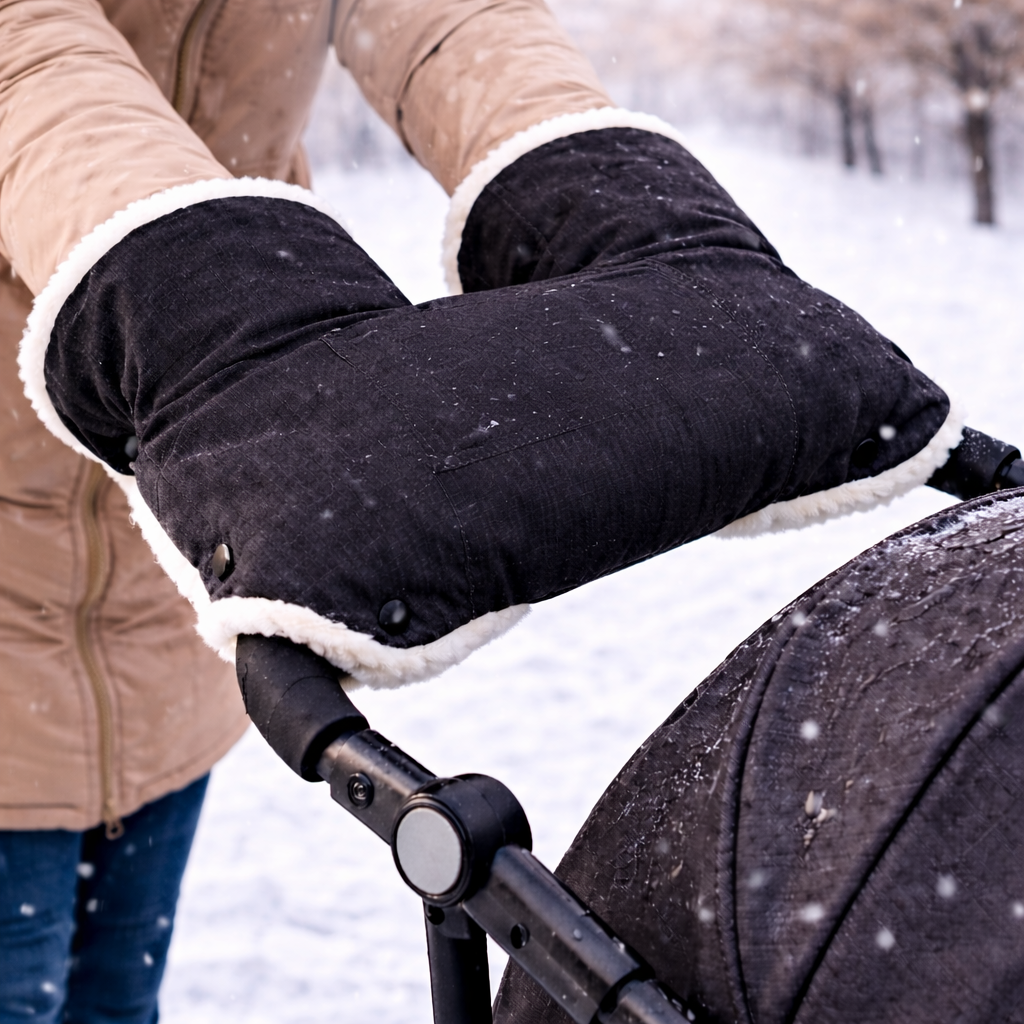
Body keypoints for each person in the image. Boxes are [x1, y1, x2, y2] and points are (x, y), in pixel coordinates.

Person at [0, 0, 962, 1019]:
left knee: (114, 992)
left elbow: (445, 20)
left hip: (164, 617)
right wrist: (191, 299)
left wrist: (597, 192)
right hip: (57, 525)